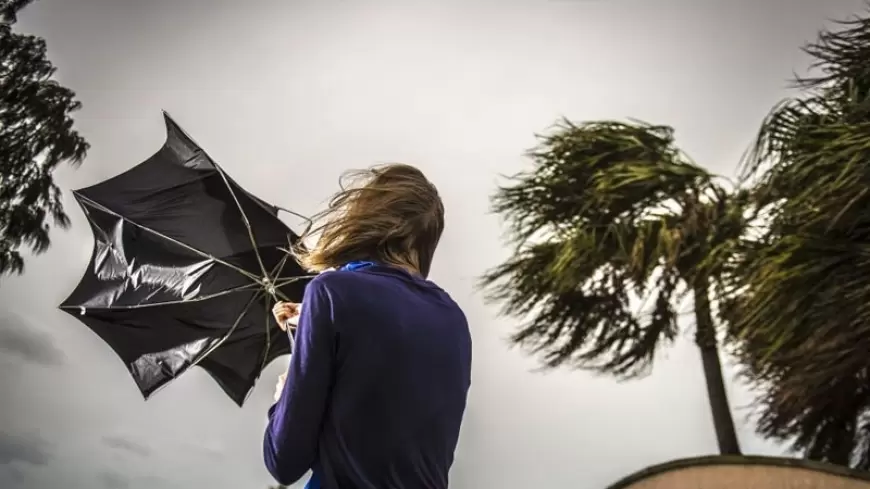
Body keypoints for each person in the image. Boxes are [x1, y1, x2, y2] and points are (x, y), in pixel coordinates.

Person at [263, 163, 472, 489]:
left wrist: (283, 396)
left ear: (365, 218)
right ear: (427, 241)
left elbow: (284, 461)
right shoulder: (454, 318)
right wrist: (314, 322)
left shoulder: (332, 292)